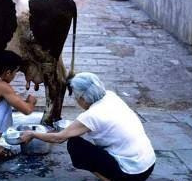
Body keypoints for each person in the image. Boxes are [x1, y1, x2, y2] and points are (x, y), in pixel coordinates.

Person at [20, 72, 155, 181]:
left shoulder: (92, 115)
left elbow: (59, 138)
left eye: (76, 98)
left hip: (132, 173)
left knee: (75, 144)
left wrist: (32, 134)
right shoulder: (110, 96)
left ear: (83, 98)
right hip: (148, 164)